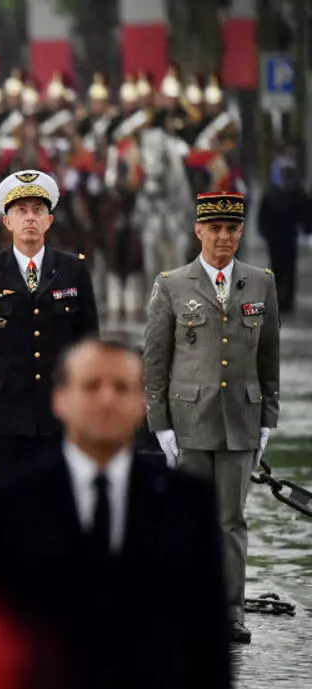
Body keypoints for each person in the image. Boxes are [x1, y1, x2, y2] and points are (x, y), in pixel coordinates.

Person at [0, 336, 231, 689]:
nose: (106, 400)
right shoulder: (11, 507)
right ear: (60, 399)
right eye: (91, 386)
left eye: (122, 387)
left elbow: (209, 649)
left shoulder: (189, 505)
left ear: (143, 403)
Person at [144, 191, 280, 643]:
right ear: (198, 231)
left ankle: (230, 611)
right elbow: (156, 360)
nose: (223, 238)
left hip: (241, 419)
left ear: (241, 232)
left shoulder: (261, 282)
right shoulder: (173, 284)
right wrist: (158, 422)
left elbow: (269, 357)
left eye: (231, 229)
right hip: (189, 421)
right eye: (215, 229)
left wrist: (268, 419)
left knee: (231, 521)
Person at [0, 170, 98, 482]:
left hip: (61, 408)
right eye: (21, 211)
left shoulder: (72, 269)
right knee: (13, 503)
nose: (30, 218)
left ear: (49, 220)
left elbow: (89, 344)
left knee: (60, 502)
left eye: (38, 210)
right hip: (6, 407)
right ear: (7, 222)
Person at [257, 162, 307, 314]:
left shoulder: (296, 194)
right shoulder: (272, 194)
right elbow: (263, 216)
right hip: (276, 238)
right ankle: (278, 300)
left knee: (289, 270)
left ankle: (288, 301)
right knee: (277, 269)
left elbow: (304, 212)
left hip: (289, 237)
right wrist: (265, 233)